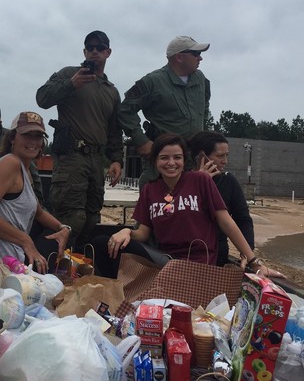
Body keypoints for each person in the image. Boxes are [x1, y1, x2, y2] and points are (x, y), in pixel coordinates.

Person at [93, 133, 283, 279]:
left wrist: (254, 262)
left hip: (198, 263)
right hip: (165, 260)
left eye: (177, 157)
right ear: (155, 161)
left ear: (185, 160)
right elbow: (143, 233)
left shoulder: (200, 180)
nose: (171, 163)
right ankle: (114, 296)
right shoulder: (150, 190)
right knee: (102, 243)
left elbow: (227, 222)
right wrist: (126, 232)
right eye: (164, 158)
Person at [36, 30, 123, 248]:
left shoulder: (111, 91)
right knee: (71, 218)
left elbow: (114, 130)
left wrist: (116, 159)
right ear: (84, 51)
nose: (95, 52)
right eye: (90, 47)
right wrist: (71, 84)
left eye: (100, 48)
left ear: (108, 52)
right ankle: (56, 267)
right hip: (72, 157)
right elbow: (42, 98)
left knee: (92, 217)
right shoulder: (69, 74)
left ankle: (76, 267)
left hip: (96, 161)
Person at [0, 112, 71, 272]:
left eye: (37, 136)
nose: (32, 141)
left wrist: (63, 228)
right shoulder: (10, 163)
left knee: (56, 235)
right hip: (3, 259)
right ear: (12, 138)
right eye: (26, 135)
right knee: (53, 243)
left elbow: (38, 212)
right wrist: (26, 241)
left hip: (16, 249)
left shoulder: (26, 169)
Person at [119, 36, 211, 186]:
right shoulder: (153, 81)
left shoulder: (200, 79)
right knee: (157, 200)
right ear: (179, 57)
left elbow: (204, 108)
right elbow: (125, 111)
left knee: (190, 204)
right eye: (195, 54)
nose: (200, 58)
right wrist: (141, 141)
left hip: (192, 156)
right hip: (163, 156)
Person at [188, 131, 255, 267]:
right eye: (220, 156)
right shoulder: (182, 181)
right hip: (186, 255)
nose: (225, 161)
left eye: (226, 155)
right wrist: (199, 182)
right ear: (202, 157)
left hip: (218, 257)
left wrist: (247, 253)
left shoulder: (228, 182)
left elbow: (243, 220)